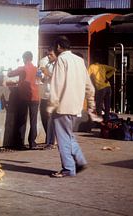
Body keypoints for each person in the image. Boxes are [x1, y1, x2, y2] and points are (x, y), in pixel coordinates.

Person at [47, 36, 100, 178]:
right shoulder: (79, 61)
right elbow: (89, 86)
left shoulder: (62, 60)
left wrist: (51, 105)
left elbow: (57, 85)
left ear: (58, 46)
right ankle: (80, 160)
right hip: (76, 106)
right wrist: (91, 104)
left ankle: (68, 169)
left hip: (62, 106)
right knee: (69, 136)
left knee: (63, 138)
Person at [7, 51, 40, 150]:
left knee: (22, 120)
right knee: (33, 121)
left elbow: (10, 74)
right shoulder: (37, 69)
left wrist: (9, 71)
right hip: (35, 97)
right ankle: (32, 143)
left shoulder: (22, 68)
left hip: (24, 97)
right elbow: (37, 80)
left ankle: (20, 143)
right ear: (32, 58)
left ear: (25, 59)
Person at [38, 47, 57, 149]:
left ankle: (52, 142)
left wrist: (48, 73)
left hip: (53, 95)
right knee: (44, 117)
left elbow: (57, 77)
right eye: (48, 55)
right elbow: (43, 77)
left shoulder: (58, 64)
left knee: (51, 119)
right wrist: (41, 75)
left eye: (51, 55)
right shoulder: (47, 63)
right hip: (45, 93)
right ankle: (49, 140)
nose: (49, 57)